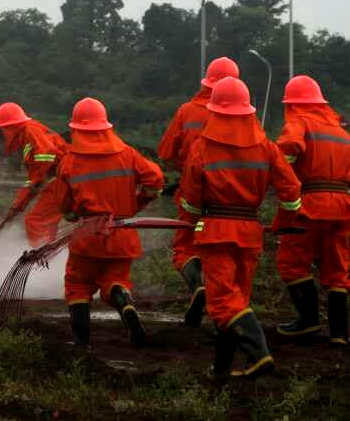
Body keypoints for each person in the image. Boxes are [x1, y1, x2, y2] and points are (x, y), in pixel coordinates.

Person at [179, 77, 301, 380]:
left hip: (216, 231)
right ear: (248, 110)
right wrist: (282, 223)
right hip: (249, 232)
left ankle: (260, 354)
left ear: (214, 111)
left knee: (222, 301)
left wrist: (190, 226)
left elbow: (191, 201)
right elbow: (291, 191)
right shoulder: (266, 147)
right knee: (235, 301)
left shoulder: (202, 147)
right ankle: (221, 368)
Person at [50, 97, 164, 348]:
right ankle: (122, 298)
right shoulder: (127, 153)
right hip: (123, 233)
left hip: (88, 236)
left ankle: (81, 343)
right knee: (115, 279)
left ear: (76, 129)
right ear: (105, 126)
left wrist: (73, 216)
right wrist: (137, 203)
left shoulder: (70, 162)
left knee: (78, 284)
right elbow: (155, 180)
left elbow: (64, 206)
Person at [157, 56, 240, 327]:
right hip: (232, 198)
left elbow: (166, 153)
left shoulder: (187, 111)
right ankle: (226, 309)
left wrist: (185, 170)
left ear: (207, 81)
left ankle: (197, 287)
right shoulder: (245, 116)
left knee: (185, 246)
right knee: (223, 252)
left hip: (192, 191)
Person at [273, 75, 350, 344]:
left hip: (310, 205)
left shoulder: (300, 121)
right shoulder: (341, 131)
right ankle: (339, 333)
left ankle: (308, 321)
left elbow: (286, 152)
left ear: (292, 103)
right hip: (343, 206)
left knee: (292, 262)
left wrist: (277, 173)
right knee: (338, 267)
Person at [0, 102, 68, 247]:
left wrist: (38, 179)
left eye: (3, 129)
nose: (3, 133)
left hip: (62, 180)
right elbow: (34, 179)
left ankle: (41, 256)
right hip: (61, 179)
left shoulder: (30, 130)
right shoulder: (28, 134)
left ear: (9, 127)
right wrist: (18, 205)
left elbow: (46, 154)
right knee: (45, 223)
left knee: (36, 222)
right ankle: (49, 252)